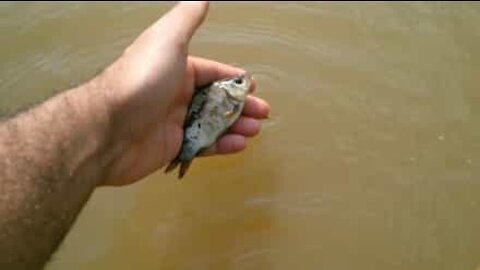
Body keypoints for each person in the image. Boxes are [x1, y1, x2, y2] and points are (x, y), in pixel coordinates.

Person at [0, 1, 270, 268]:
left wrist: (113, 125)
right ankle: (183, 155)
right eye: (238, 82)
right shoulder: (223, 96)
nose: (242, 82)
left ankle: (183, 154)